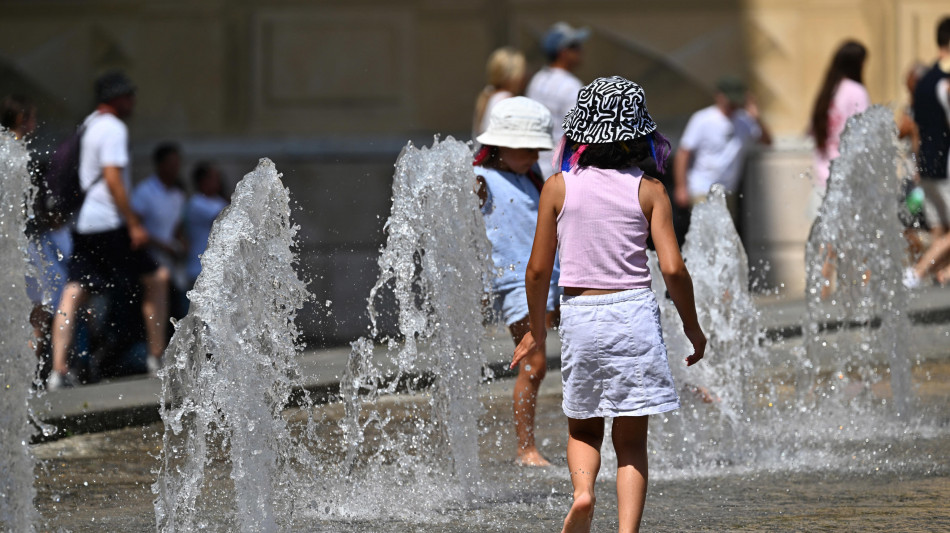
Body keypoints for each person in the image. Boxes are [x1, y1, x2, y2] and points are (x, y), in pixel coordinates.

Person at [511, 76, 706, 533]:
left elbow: (537, 271)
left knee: (583, 427)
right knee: (632, 441)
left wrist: (536, 328)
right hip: (633, 313)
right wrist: (693, 327)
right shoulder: (650, 189)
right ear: (637, 135)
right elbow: (674, 269)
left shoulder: (557, 187)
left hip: (580, 314)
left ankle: (583, 493)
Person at [48, 71, 170, 390]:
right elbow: (113, 178)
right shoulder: (114, 128)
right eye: (129, 96)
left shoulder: (88, 124)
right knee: (157, 279)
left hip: (84, 223)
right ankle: (157, 357)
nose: (133, 101)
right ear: (116, 98)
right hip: (109, 222)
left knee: (74, 292)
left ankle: (58, 371)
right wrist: (133, 223)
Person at [473, 96, 560, 466]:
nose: (533, 156)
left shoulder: (529, 176)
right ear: (500, 145)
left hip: (548, 277)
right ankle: (526, 448)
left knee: (563, 359)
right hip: (515, 282)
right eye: (526, 149)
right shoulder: (482, 180)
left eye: (537, 149)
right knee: (534, 364)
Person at [2, 94, 71, 373]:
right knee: (37, 309)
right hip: (24, 244)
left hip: (12, 243)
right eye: (33, 117)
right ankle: (26, 374)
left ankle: (19, 375)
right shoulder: (22, 156)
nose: (36, 123)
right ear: (22, 119)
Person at [807, 41, 870, 299]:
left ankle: (821, 294)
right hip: (847, 175)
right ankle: (857, 294)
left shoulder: (828, 91)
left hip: (823, 175)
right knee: (858, 239)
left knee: (829, 241)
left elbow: (813, 133)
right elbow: (864, 135)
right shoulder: (856, 91)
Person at [672, 76, 772, 220]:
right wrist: (681, 187)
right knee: (706, 230)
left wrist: (757, 118)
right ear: (719, 96)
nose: (733, 104)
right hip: (702, 188)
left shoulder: (745, 120)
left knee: (726, 232)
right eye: (730, 99)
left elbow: (767, 142)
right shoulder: (702, 119)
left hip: (728, 190)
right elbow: (683, 153)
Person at [526, 22, 589, 179]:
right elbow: (579, 134)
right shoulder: (571, 86)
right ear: (563, 52)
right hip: (559, 172)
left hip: (534, 166)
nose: (581, 50)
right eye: (575, 46)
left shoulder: (537, 79)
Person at [131, 142, 187, 319]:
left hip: (172, 262)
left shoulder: (178, 195)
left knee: (175, 312)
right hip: (149, 261)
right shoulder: (144, 192)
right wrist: (162, 246)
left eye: (177, 163)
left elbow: (177, 227)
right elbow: (135, 227)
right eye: (171, 163)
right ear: (160, 165)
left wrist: (182, 244)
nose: (175, 168)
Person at [913, 16, 950, 239]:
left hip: (927, 165)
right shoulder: (945, 81)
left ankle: (931, 262)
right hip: (946, 166)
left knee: (938, 232)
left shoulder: (923, 80)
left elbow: (917, 128)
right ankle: (925, 262)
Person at [183, 162, 228, 290]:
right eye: (214, 177)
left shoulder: (219, 201)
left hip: (217, 270)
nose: (218, 181)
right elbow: (222, 218)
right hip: (200, 269)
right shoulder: (196, 202)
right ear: (203, 180)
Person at [472, 46, 527, 139]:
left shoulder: (487, 94)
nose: (525, 76)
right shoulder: (506, 101)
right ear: (514, 75)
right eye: (522, 71)